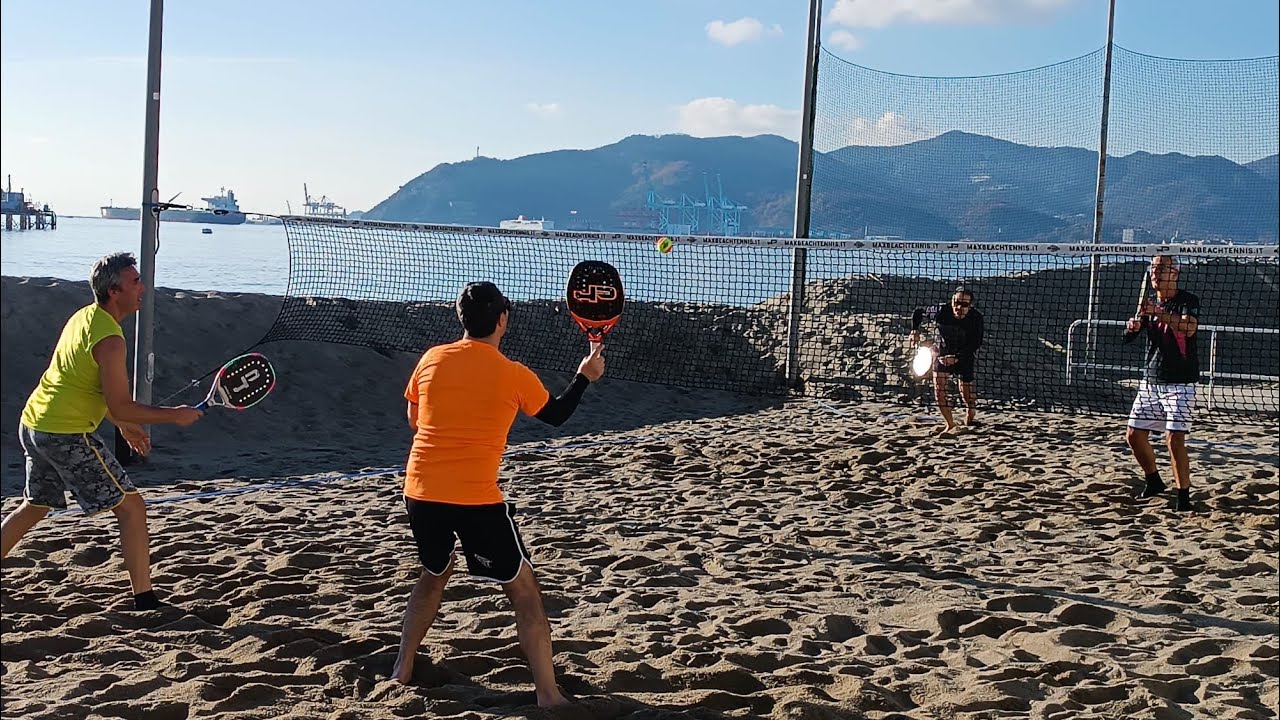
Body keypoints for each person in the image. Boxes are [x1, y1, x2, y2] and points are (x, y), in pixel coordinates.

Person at [391, 281, 605, 708]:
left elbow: (415, 420)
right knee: (524, 590)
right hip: (474, 499)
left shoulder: (431, 359)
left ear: (461, 318)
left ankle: (402, 669)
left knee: (435, 571)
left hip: (419, 491)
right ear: (502, 320)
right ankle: (549, 696)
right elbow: (557, 415)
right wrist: (584, 376)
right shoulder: (514, 374)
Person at [1, 252, 204, 609]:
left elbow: (90, 388)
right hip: (65, 433)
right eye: (135, 282)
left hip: (34, 424)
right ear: (114, 291)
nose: (143, 287)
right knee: (132, 508)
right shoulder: (111, 341)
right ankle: (145, 599)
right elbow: (121, 404)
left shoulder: (84, 317)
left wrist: (125, 426)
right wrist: (175, 415)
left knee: (34, 506)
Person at [1123, 255, 1200, 512]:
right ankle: (1154, 481)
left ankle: (1183, 497)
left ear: (1175, 273)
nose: (1155, 273)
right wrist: (1132, 328)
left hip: (1180, 381)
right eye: (1153, 268)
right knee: (1134, 435)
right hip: (1151, 380)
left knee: (1174, 439)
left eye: (1161, 268)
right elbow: (1128, 338)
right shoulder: (1150, 303)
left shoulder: (1186, 301)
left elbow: (1188, 329)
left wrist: (1159, 312)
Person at [910, 286, 984, 434]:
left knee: (966, 395)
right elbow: (918, 312)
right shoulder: (941, 311)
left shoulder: (976, 318)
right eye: (956, 302)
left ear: (970, 306)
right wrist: (914, 331)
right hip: (941, 354)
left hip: (964, 355)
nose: (958, 307)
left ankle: (970, 414)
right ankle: (950, 424)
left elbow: (976, 343)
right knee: (940, 390)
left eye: (964, 305)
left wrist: (957, 357)